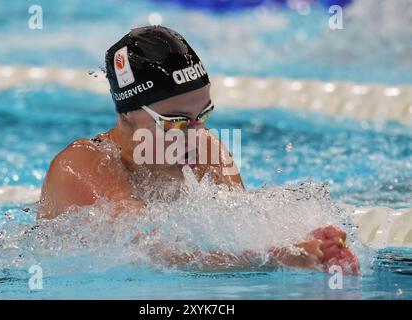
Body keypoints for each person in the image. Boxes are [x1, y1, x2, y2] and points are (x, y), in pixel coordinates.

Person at [38, 26, 360, 275]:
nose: (195, 136)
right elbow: (156, 257)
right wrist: (278, 257)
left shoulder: (205, 150)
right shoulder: (82, 166)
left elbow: (242, 228)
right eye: (175, 122)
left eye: (202, 116)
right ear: (127, 114)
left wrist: (311, 242)